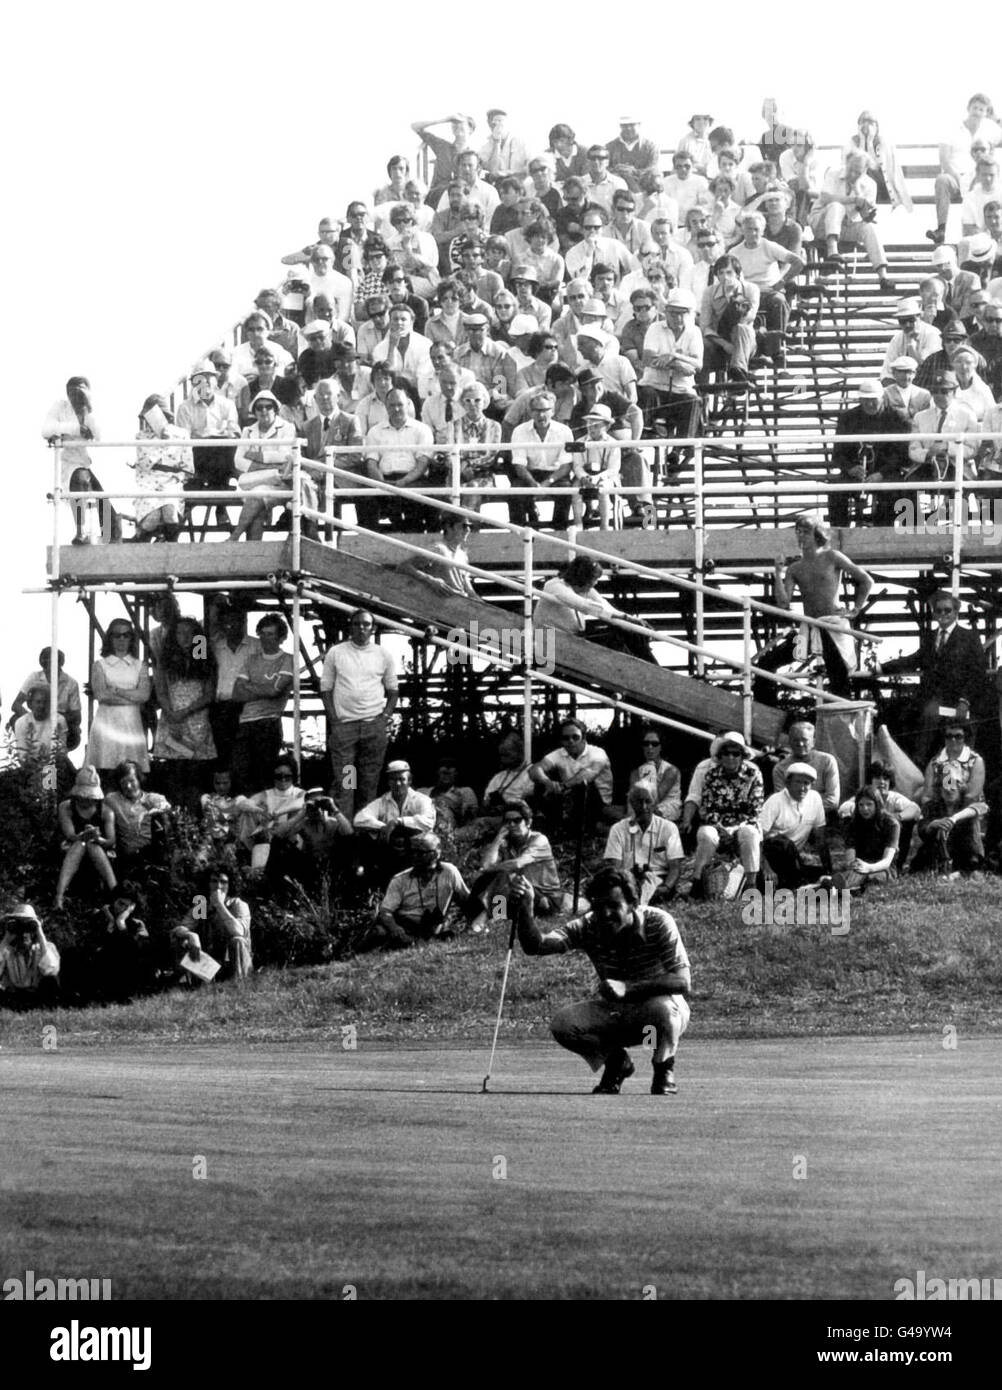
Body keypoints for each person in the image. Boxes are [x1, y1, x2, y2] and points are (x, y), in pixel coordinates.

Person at [511, 865, 691, 1097]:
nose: (605, 914)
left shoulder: (659, 922)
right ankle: (617, 1063)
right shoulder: (589, 925)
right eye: (598, 907)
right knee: (563, 1025)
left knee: (664, 1009)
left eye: (614, 906)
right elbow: (536, 946)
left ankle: (663, 1069)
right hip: (617, 1012)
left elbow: (683, 982)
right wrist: (526, 909)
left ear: (633, 904)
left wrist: (628, 987)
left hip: (656, 1014)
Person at [878, 591, 987, 766]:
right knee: (916, 737)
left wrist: (965, 700)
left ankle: (954, 784)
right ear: (934, 612)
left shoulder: (969, 637)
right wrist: (882, 667)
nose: (943, 614)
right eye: (939, 610)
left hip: (959, 704)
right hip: (932, 703)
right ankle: (921, 777)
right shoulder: (930, 637)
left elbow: (977, 674)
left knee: (957, 753)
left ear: (956, 612)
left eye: (947, 610)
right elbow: (915, 659)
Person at [773, 512, 873, 698]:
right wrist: (778, 573)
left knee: (839, 677)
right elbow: (783, 602)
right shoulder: (795, 568)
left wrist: (855, 610)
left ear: (817, 534)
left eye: (806, 531)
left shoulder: (833, 556)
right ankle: (768, 717)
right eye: (798, 531)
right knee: (768, 662)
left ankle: (843, 721)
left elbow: (866, 580)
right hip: (809, 628)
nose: (801, 535)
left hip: (832, 625)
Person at [321, 608, 398, 821]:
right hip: (345, 729)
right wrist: (334, 720)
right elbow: (326, 689)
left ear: (373, 628)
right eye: (357, 624)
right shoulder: (337, 652)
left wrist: (384, 718)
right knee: (347, 782)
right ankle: (347, 832)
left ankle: (366, 828)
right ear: (350, 627)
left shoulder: (383, 654)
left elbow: (393, 691)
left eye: (366, 624)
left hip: (373, 728)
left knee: (369, 782)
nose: (361, 628)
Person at [42, 375, 121, 545]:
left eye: (80, 391)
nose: (75, 396)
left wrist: (87, 410)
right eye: (72, 392)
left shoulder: (91, 410)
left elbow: (99, 435)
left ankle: (110, 538)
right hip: (72, 461)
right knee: (79, 480)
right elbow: (46, 430)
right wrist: (76, 428)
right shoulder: (60, 407)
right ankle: (81, 531)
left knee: (105, 503)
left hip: (97, 462)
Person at [465, 799, 565, 930]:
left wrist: (490, 869)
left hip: (544, 899)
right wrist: (498, 839)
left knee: (505, 873)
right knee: (485, 880)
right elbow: (486, 864)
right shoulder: (507, 842)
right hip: (517, 893)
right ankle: (484, 918)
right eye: (507, 822)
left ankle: (487, 918)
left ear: (528, 822)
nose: (511, 825)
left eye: (517, 820)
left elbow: (518, 863)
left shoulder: (539, 840)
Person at [151, 616, 217, 813]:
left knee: (196, 775)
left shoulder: (202, 658)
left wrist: (185, 711)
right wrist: (172, 715)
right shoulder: (165, 660)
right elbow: (161, 692)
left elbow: (209, 694)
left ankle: (196, 819)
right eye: (180, 633)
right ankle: (176, 820)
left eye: (190, 633)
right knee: (174, 775)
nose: (185, 637)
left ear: (198, 637)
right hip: (172, 720)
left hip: (196, 721)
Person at [688, 731, 764, 901]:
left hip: (744, 824)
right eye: (726, 753)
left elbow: (755, 810)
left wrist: (735, 830)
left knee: (750, 834)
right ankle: (698, 883)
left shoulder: (754, 775)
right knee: (706, 834)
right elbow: (708, 808)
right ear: (720, 756)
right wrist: (722, 829)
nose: (731, 757)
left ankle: (751, 886)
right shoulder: (711, 775)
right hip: (718, 826)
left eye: (735, 753)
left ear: (742, 756)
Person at [230, 614, 294, 795]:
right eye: (262, 634)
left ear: (281, 637)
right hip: (245, 722)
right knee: (241, 773)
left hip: (268, 722)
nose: (265, 638)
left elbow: (275, 691)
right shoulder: (251, 659)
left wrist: (249, 687)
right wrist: (263, 689)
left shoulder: (287, 659)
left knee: (265, 775)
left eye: (271, 634)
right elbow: (236, 693)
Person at [913, 722, 987, 879]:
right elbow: (927, 796)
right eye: (949, 736)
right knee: (931, 826)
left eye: (958, 736)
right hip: (939, 808)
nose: (953, 740)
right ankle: (941, 863)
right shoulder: (935, 762)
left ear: (965, 738)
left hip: (964, 809)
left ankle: (967, 866)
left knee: (968, 823)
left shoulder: (975, 760)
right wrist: (935, 817)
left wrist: (953, 816)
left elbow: (973, 798)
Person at [371, 833, 469, 949]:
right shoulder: (400, 879)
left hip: (432, 928)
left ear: (436, 853)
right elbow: (385, 912)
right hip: (405, 925)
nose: (415, 856)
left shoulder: (449, 872)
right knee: (379, 933)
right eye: (412, 852)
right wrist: (396, 929)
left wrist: (473, 926)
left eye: (421, 853)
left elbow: (466, 901)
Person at [927, 93, 1002, 246]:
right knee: (942, 180)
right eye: (975, 108)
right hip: (955, 177)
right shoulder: (953, 129)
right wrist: (961, 181)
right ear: (968, 108)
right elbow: (944, 160)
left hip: (980, 177)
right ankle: (941, 230)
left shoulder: (989, 130)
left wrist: (995, 118)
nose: (977, 112)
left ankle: (992, 233)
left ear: (986, 113)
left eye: (982, 109)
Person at [175, 360, 240, 527]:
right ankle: (220, 506)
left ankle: (219, 504)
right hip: (199, 456)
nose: (204, 384)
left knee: (226, 445)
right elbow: (185, 440)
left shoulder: (227, 404)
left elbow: (233, 432)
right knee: (206, 446)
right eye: (199, 380)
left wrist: (218, 437)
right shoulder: (185, 408)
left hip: (221, 455)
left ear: (215, 381)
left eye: (208, 379)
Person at [830, 380, 903, 527]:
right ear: (860, 399)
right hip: (856, 473)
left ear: (882, 398)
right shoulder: (847, 418)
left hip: (885, 473)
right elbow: (838, 455)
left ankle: (881, 537)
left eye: (873, 400)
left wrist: (881, 473)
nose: (869, 404)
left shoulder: (896, 418)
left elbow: (900, 455)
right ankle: (838, 534)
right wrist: (851, 468)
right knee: (835, 490)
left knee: (890, 491)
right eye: (865, 400)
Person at [230, 390, 299, 543]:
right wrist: (269, 464)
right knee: (257, 505)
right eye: (259, 407)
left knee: (256, 497)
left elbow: (284, 456)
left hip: (281, 484)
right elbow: (238, 461)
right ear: (254, 411)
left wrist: (254, 458)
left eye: (268, 406)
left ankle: (235, 536)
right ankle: (256, 556)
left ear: (275, 408)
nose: (263, 410)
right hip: (258, 482)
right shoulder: (248, 431)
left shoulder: (287, 428)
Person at [85, 619, 151, 779]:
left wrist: (116, 690)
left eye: (126, 635)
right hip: (107, 723)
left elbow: (144, 695)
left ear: (131, 638)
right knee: (105, 772)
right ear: (110, 638)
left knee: (131, 772)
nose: (121, 639)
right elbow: (102, 695)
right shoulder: (100, 665)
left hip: (131, 724)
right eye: (117, 635)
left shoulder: (139, 665)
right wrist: (131, 696)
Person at [362, 387, 435, 530]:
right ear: (385, 406)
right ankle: (369, 546)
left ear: (408, 404)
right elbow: (371, 463)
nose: (396, 409)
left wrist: (404, 481)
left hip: (413, 480)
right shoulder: (375, 431)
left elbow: (422, 464)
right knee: (365, 499)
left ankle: (416, 544)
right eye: (392, 405)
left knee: (416, 503)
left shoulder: (422, 430)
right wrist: (382, 484)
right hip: (384, 480)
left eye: (400, 405)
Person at [353, 760, 436, 886]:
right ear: (388, 782)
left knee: (427, 840)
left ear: (409, 781)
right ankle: (370, 886)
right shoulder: (383, 801)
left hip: (415, 851)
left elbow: (428, 822)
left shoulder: (422, 800)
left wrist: (398, 822)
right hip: (391, 849)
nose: (397, 784)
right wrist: (385, 828)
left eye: (402, 779)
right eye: (393, 779)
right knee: (364, 838)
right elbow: (359, 819)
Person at [603, 784, 683, 906]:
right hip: (629, 882)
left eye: (648, 801)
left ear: (655, 802)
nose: (644, 807)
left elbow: (675, 867)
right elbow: (616, 868)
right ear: (631, 802)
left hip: (659, 882)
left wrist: (666, 888)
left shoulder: (668, 828)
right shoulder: (618, 829)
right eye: (639, 802)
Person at [529, 718, 614, 829]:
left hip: (598, 803)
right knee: (539, 779)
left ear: (583, 738)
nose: (571, 741)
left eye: (575, 737)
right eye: (566, 738)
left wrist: (562, 787)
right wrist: (548, 782)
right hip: (569, 797)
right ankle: (550, 822)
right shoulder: (560, 753)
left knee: (583, 785)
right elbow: (534, 769)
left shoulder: (597, 753)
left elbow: (588, 775)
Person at [171, 867, 252, 982]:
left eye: (223, 882)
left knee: (237, 940)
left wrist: (219, 904)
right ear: (208, 884)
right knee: (181, 939)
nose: (218, 886)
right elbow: (179, 928)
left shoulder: (238, 904)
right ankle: (189, 982)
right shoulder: (202, 907)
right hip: (211, 964)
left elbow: (238, 931)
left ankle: (239, 985)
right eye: (214, 881)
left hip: (237, 964)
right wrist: (191, 935)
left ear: (230, 885)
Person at [508, 389, 575, 529]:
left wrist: (547, 482)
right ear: (530, 412)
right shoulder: (519, 431)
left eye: (545, 410)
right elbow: (519, 465)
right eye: (537, 410)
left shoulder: (565, 431)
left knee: (565, 491)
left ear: (553, 411)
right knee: (515, 493)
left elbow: (566, 466)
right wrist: (534, 484)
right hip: (530, 474)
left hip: (555, 475)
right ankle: (517, 535)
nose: (541, 414)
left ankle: (559, 533)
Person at [758, 763, 830, 890]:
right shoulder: (775, 801)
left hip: (793, 859)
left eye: (806, 783)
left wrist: (828, 870)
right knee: (783, 843)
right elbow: (757, 840)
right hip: (771, 857)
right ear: (787, 783)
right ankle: (801, 885)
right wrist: (766, 868)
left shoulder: (815, 799)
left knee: (819, 873)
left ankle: (808, 883)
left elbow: (821, 838)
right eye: (797, 782)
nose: (802, 788)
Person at [54, 765, 117, 909]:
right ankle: (59, 895)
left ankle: (115, 892)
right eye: (82, 797)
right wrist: (82, 836)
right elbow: (69, 834)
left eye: (89, 798)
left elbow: (111, 840)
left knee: (92, 844)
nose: (85, 801)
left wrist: (97, 838)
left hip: (98, 849)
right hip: (74, 846)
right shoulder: (66, 807)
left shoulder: (106, 812)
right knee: (81, 843)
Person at [132, 395, 193, 542]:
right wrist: (161, 444)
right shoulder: (141, 437)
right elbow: (144, 465)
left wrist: (178, 478)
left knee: (170, 511)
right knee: (152, 517)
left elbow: (188, 468)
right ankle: (141, 544)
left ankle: (169, 549)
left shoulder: (181, 435)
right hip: (148, 480)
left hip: (171, 480)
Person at [237, 756, 307, 880]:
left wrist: (278, 812)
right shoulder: (266, 794)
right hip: (267, 839)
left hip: (290, 839)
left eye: (287, 776)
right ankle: (255, 863)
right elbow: (243, 803)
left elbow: (302, 802)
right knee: (247, 813)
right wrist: (260, 811)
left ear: (293, 776)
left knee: (300, 811)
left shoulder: (300, 793)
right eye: (279, 776)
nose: (283, 780)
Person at [104, 760, 171, 878]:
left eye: (132, 781)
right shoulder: (113, 800)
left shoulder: (152, 798)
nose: (128, 786)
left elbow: (165, 805)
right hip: (128, 857)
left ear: (139, 780)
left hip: (151, 853)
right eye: (124, 783)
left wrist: (155, 810)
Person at [10, 648, 82, 750]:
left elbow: (77, 717)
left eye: (53, 663)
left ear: (60, 663)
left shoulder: (71, 683)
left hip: (58, 721)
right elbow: (16, 704)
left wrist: (51, 718)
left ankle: (60, 756)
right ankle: (28, 755)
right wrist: (31, 719)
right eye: (45, 665)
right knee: (15, 719)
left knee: (72, 731)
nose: (49, 668)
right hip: (36, 717)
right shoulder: (34, 677)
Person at [843, 111, 912, 212]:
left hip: (883, 189)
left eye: (870, 122)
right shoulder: (852, 142)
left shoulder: (884, 143)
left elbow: (874, 166)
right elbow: (857, 166)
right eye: (863, 122)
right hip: (859, 189)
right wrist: (862, 142)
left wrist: (870, 143)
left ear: (877, 127)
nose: (866, 126)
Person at [836, 784, 900, 890]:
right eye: (861, 805)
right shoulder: (853, 824)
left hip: (882, 868)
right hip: (859, 865)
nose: (865, 809)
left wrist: (868, 868)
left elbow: (887, 861)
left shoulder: (891, 824)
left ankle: (834, 887)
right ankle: (837, 887)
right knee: (853, 875)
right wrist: (854, 865)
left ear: (877, 805)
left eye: (869, 804)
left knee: (868, 877)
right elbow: (850, 858)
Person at [772, 721, 841, 817]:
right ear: (789, 742)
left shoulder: (827, 761)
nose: (800, 744)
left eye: (805, 740)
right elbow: (782, 802)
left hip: (824, 817)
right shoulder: (780, 768)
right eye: (795, 740)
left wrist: (803, 810)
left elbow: (832, 801)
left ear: (813, 742)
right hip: (792, 820)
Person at [0, 905, 60, 1009]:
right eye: (19, 929)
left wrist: (40, 934)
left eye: (28, 928)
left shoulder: (45, 947)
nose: (24, 934)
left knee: (51, 980)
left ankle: (46, 1009)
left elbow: (50, 970)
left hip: (36, 996)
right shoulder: (5, 950)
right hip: (12, 996)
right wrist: (5, 940)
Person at [402, 516, 476, 597]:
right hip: (441, 602)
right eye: (464, 526)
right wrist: (431, 580)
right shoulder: (438, 549)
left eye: (469, 526)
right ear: (448, 527)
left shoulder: (463, 556)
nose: (468, 530)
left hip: (459, 602)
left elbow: (469, 591)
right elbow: (404, 566)